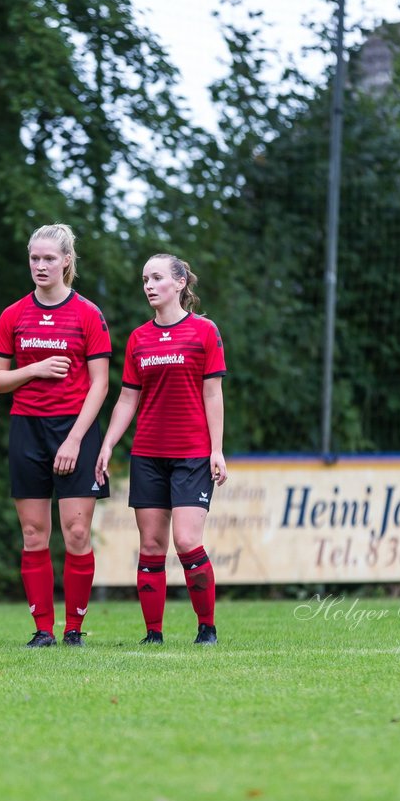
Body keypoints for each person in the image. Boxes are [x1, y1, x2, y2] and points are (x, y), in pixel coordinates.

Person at [0, 224, 111, 647]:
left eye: (48, 259)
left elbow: (100, 384)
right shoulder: (13, 315)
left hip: (75, 429)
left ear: (66, 262)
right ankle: (42, 630)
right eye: (34, 259)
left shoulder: (88, 314)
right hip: (28, 428)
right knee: (33, 534)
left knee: (76, 533)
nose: (40, 266)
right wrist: (35, 370)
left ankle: (73, 630)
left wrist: (76, 438)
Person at [95, 254, 227, 645]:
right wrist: (107, 444)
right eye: (144, 279)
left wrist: (216, 450)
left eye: (157, 278)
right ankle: (153, 634)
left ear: (180, 283)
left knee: (187, 541)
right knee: (151, 545)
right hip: (148, 454)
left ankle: (207, 627)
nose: (149, 285)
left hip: (191, 454)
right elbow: (126, 399)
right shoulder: (139, 337)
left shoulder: (204, 331)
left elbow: (213, 394)